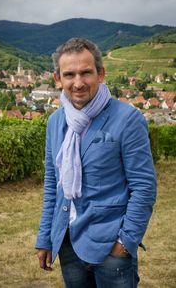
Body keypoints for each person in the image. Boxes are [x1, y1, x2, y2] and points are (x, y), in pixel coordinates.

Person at [35, 37, 157, 288]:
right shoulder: (56, 122)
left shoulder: (127, 119)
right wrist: (46, 238)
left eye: (86, 73)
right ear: (57, 79)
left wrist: (124, 244)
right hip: (68, 243)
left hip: (111, 248)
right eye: (69, 74)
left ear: (100, 74)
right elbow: (52, 184)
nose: (78, 83)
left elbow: (144, 187)